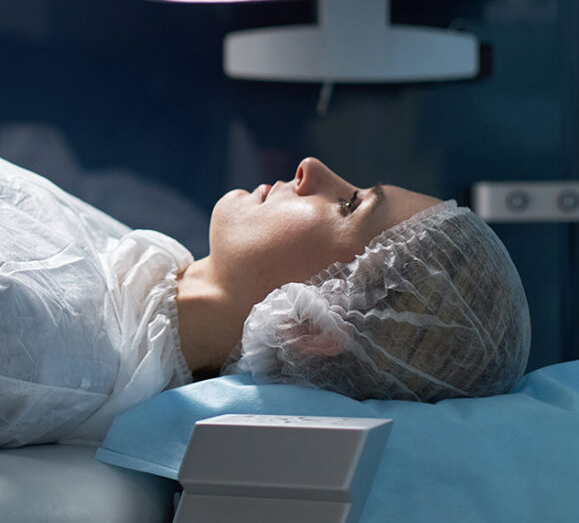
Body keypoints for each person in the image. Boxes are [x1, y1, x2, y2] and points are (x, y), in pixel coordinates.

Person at [0, 155, 530, 448]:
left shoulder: (39, 340)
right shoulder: (130, 281)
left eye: (348, 206)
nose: (311, 168)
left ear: (313, 327)